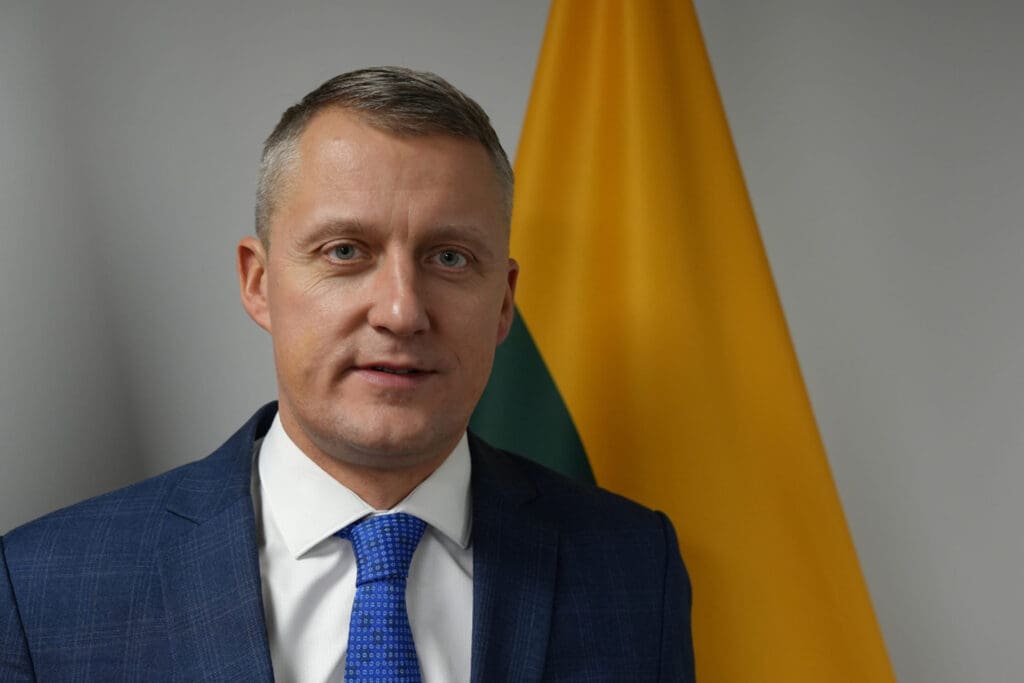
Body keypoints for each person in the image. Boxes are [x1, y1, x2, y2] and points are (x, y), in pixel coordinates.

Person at [0, 67, 695, 682]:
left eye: (450, 258)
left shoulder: (636, 567)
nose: (401, 312)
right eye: (344, 251)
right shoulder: (41, 588)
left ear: (505, 302)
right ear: (259, 283)